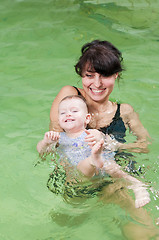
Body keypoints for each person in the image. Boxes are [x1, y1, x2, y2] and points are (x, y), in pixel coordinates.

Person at [37, 95, 150, 209]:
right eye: (62, 113)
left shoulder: (91, 133)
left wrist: (99, 136)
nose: (68, 114)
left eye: (74, 111)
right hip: (81, 173)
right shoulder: (59, 138)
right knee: (76, 183)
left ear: (87, 118)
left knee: (115, 170)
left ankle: (137, 186)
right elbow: (42, 152)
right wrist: (46, 142)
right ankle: (93, 160)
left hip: (101, 166)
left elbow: (105, 140)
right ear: (59, 120)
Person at [49, 40, 150, 153]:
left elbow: (144, 146)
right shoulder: (69, 95)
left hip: (119, 165)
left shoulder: (124, 111)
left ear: (115, 75)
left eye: (105, 75)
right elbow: (56, 141)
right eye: (89, 75)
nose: (97, 84)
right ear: (82, 75)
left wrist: (109, 144)